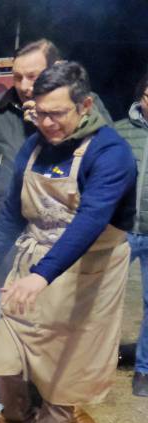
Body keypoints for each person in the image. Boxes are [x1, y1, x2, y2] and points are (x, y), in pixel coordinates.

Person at [0, 61, 136, 423]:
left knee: (64, 374)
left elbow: (90, 221)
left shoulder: (111, 153)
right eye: (39, 113)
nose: (45, 123)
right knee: (4, 362)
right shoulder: (36, 147)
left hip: (90, 274)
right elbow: (10, 211)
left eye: (56, 114)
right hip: (35, 261)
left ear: (84, 106)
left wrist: (43, 275)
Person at [0, 39, 106, 423]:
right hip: (1, 240)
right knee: (5, 324)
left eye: (32, 76)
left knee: (63, 326)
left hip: (61, 242)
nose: (21, 84)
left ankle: (64, 405)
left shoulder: (83, 108)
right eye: (16, 75)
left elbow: (102, 160)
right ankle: (9, 407)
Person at [113, 69, 148, 397]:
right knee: (102, 300)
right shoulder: (120, 132)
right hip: (121, 232)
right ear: (142, 96)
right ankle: (95, 364)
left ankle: (143, 371)